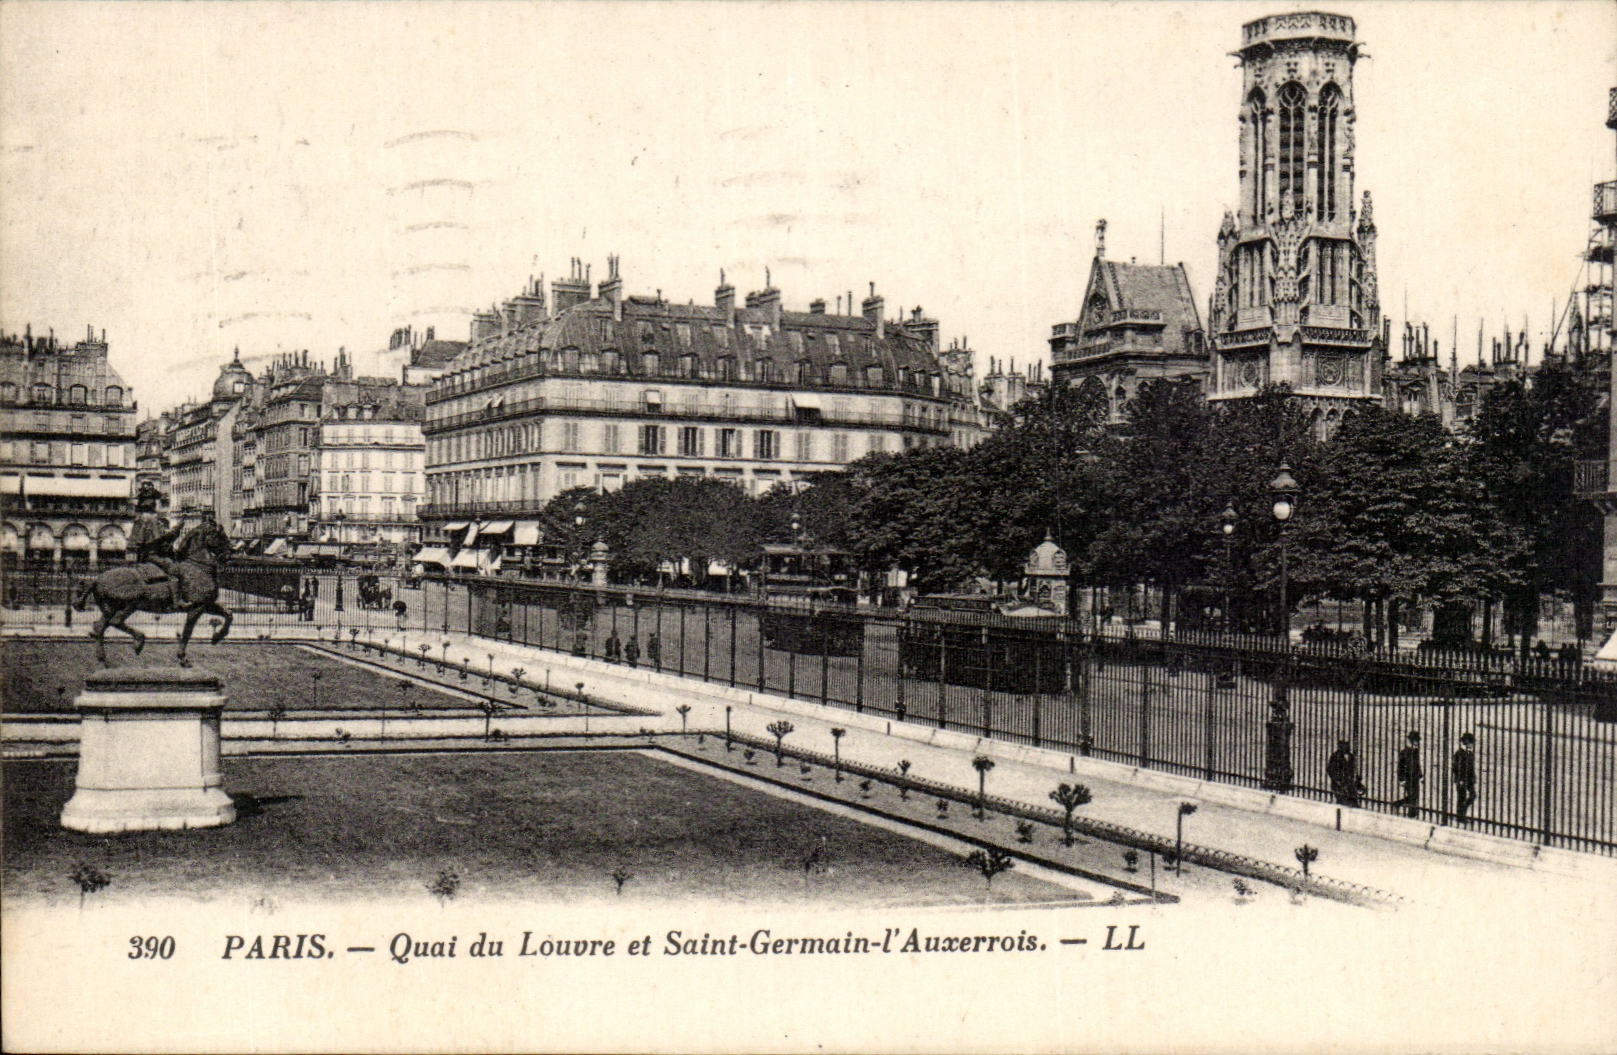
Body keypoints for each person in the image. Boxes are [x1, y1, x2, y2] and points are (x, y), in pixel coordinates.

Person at [1326, 739, 1363, 807]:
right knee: (1343, 802)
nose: (1347, 747)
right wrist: (1338, 780)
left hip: (1349, 785)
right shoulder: (1335, 756)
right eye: (1345, 745)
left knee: (1353, 802)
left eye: (1347, 745)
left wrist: (1357, 779)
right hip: (1339, 785)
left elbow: (1352, 770)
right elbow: (1330, 770)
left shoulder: (1351, 756)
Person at [1396, 730, 1423, 818]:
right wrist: (1401, 779)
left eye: (1418, 741)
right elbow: (1400, 766)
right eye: (1416, 740)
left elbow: (1417, 765)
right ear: (1412, 740)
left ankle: (1410, 811)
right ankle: (1410, 813)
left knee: (1415, 795)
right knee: (1412, 796)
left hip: (1415, 777)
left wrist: (1420, 776)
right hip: (1407, 777)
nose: (1417, 742)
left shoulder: (1416, 751)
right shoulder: (1404, 752)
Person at [1452, 732, 1477, 822]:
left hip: (1469, 779)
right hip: (1462, 779)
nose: (1471, 744)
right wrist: (1459, 779)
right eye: (1470, 742)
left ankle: (1462, 812)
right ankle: (1460, 817)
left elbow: (1471, 768)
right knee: (1461, 797)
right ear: (1466, 743)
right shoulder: (1459, 753)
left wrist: (1473, 778)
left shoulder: (1470, 753)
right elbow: (1455, 767)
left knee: (1473, 795)